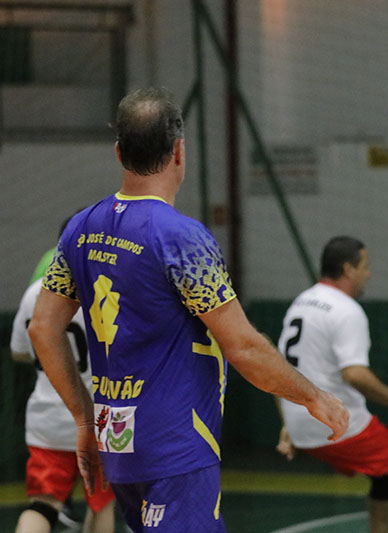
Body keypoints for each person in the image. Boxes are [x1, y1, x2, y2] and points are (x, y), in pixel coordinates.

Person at [27, 87, 349, 532]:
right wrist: (314, 396)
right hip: (174, 445)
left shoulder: (81, 227)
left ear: (119, 152)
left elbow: (42, 328)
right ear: (179, 151)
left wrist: (85, 419)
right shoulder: (180, 237)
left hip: (116, 439)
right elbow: (243, 347)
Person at [275, 235, 388, 533]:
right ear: (348, 269)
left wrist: (288, 422)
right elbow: (354, 374)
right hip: (333, 423)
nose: (369, 273)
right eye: (365, 266)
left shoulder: (301, 302)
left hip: (300, 420)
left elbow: (279, 369)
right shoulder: (345, 310)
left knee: (385, 474)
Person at [11, 276, 116, 533]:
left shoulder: (35, 291)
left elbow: (19, 351)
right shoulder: (104, 289)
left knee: (43, 504)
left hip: (48, 420)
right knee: (102, 504)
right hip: (98, 418)